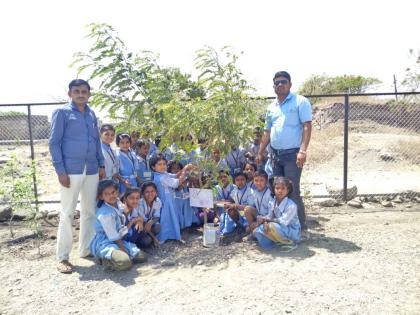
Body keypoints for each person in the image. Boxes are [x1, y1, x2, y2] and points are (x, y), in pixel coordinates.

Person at [49, 79, 105, 274]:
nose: (81, 94)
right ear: (70, 94)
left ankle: (86, 249)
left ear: (89, 94)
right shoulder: (62, 113)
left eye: (84, 91)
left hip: (91, 169)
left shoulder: (91, 114)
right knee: (67, 214)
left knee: (89, 211)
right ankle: (62, 257)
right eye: (77, 91)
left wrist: (101, 164)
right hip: (70, 170)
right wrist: (60, 170)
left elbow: (97, 142)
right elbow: (54, 143)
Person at [256, 71, 312, 232]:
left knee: (292, 192)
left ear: (290, 84)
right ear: (273, 86)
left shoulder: (300, 102)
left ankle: (300, 229)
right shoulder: (271, 107)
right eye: (277, 82)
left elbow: (307, 126)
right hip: (275, 156)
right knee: (276, 192)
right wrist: (260, 152)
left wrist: (303, 150)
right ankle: (278, 227)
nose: (280, 85)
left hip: (292, 155)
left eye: (283, 82)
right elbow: (267, 132)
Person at [90, 180, 146, 271]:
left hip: (119, 238)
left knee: (142, 257)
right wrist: (124, 250)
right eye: (107, 194)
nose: (111, 196)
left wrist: (137, 220)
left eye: (113, 192)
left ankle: (113, 258)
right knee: (125, 262)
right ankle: (105, 260)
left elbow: (124, 216)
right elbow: (114, 237)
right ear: (101, 196)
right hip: (106, 241)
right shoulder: (105, 214)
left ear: (117, 192)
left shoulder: (117, 202)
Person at [150, 154, 194, 243]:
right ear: (153, 167)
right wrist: (185, 170)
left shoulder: (163, 174)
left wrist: (183, 169)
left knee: (170, 217)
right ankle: (163, 237)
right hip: (166, 200)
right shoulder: (161, 177)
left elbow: (174, 176)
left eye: (164, 164)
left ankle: (171, 235)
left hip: (168, 199)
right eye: (159, 164)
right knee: (166, 218)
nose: (162, 166)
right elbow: (176, 183)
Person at [254, 177, 301, 249]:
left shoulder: (291, 205)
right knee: (257, 230)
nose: (280, 191)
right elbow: (269, 216)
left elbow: (284, 221)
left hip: (290, 231)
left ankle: (290, 242)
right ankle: (275, 243)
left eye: (283, 188)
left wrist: (268, 220)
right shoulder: (272, 202)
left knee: (271, 226)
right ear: (273, 189)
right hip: (277, 227)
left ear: (287, 190)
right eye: (277, 188)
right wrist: (263, 220)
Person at [219, 170, 254, 239]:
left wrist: (235, 206)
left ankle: (245, 228)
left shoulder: (250, 191)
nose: (240, 182)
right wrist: (226, 203)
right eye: (237, 180)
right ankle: (239, 227)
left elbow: (250, 207)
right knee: (230, 211)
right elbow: (231, 200)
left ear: (246, 180)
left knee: (247, 229)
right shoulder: (235, 191)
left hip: (248, 215)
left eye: (242, 179)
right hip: (239, 213)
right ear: (234, 181)